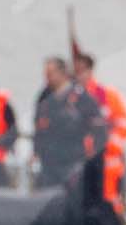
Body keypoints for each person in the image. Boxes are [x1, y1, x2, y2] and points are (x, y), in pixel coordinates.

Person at [32, 56, 107, 191]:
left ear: (62, 73)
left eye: (50, 74)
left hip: (73, 161)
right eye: (46, 75)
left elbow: (99, 130)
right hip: (49, 164)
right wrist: (36, 151)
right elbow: (39, 128)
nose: (47, 78)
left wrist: (91, 157)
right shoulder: (44, 98)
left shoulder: (81, 98)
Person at [74, 52, 126, 212]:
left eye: (82, 70)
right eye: (76, 70)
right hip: (79, 158)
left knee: (108, 200)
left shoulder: (107, 95)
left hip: (107, 160)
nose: (79, 75)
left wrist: (108, 144)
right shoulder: (71, 97)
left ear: (90, 70)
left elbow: (124, 124)